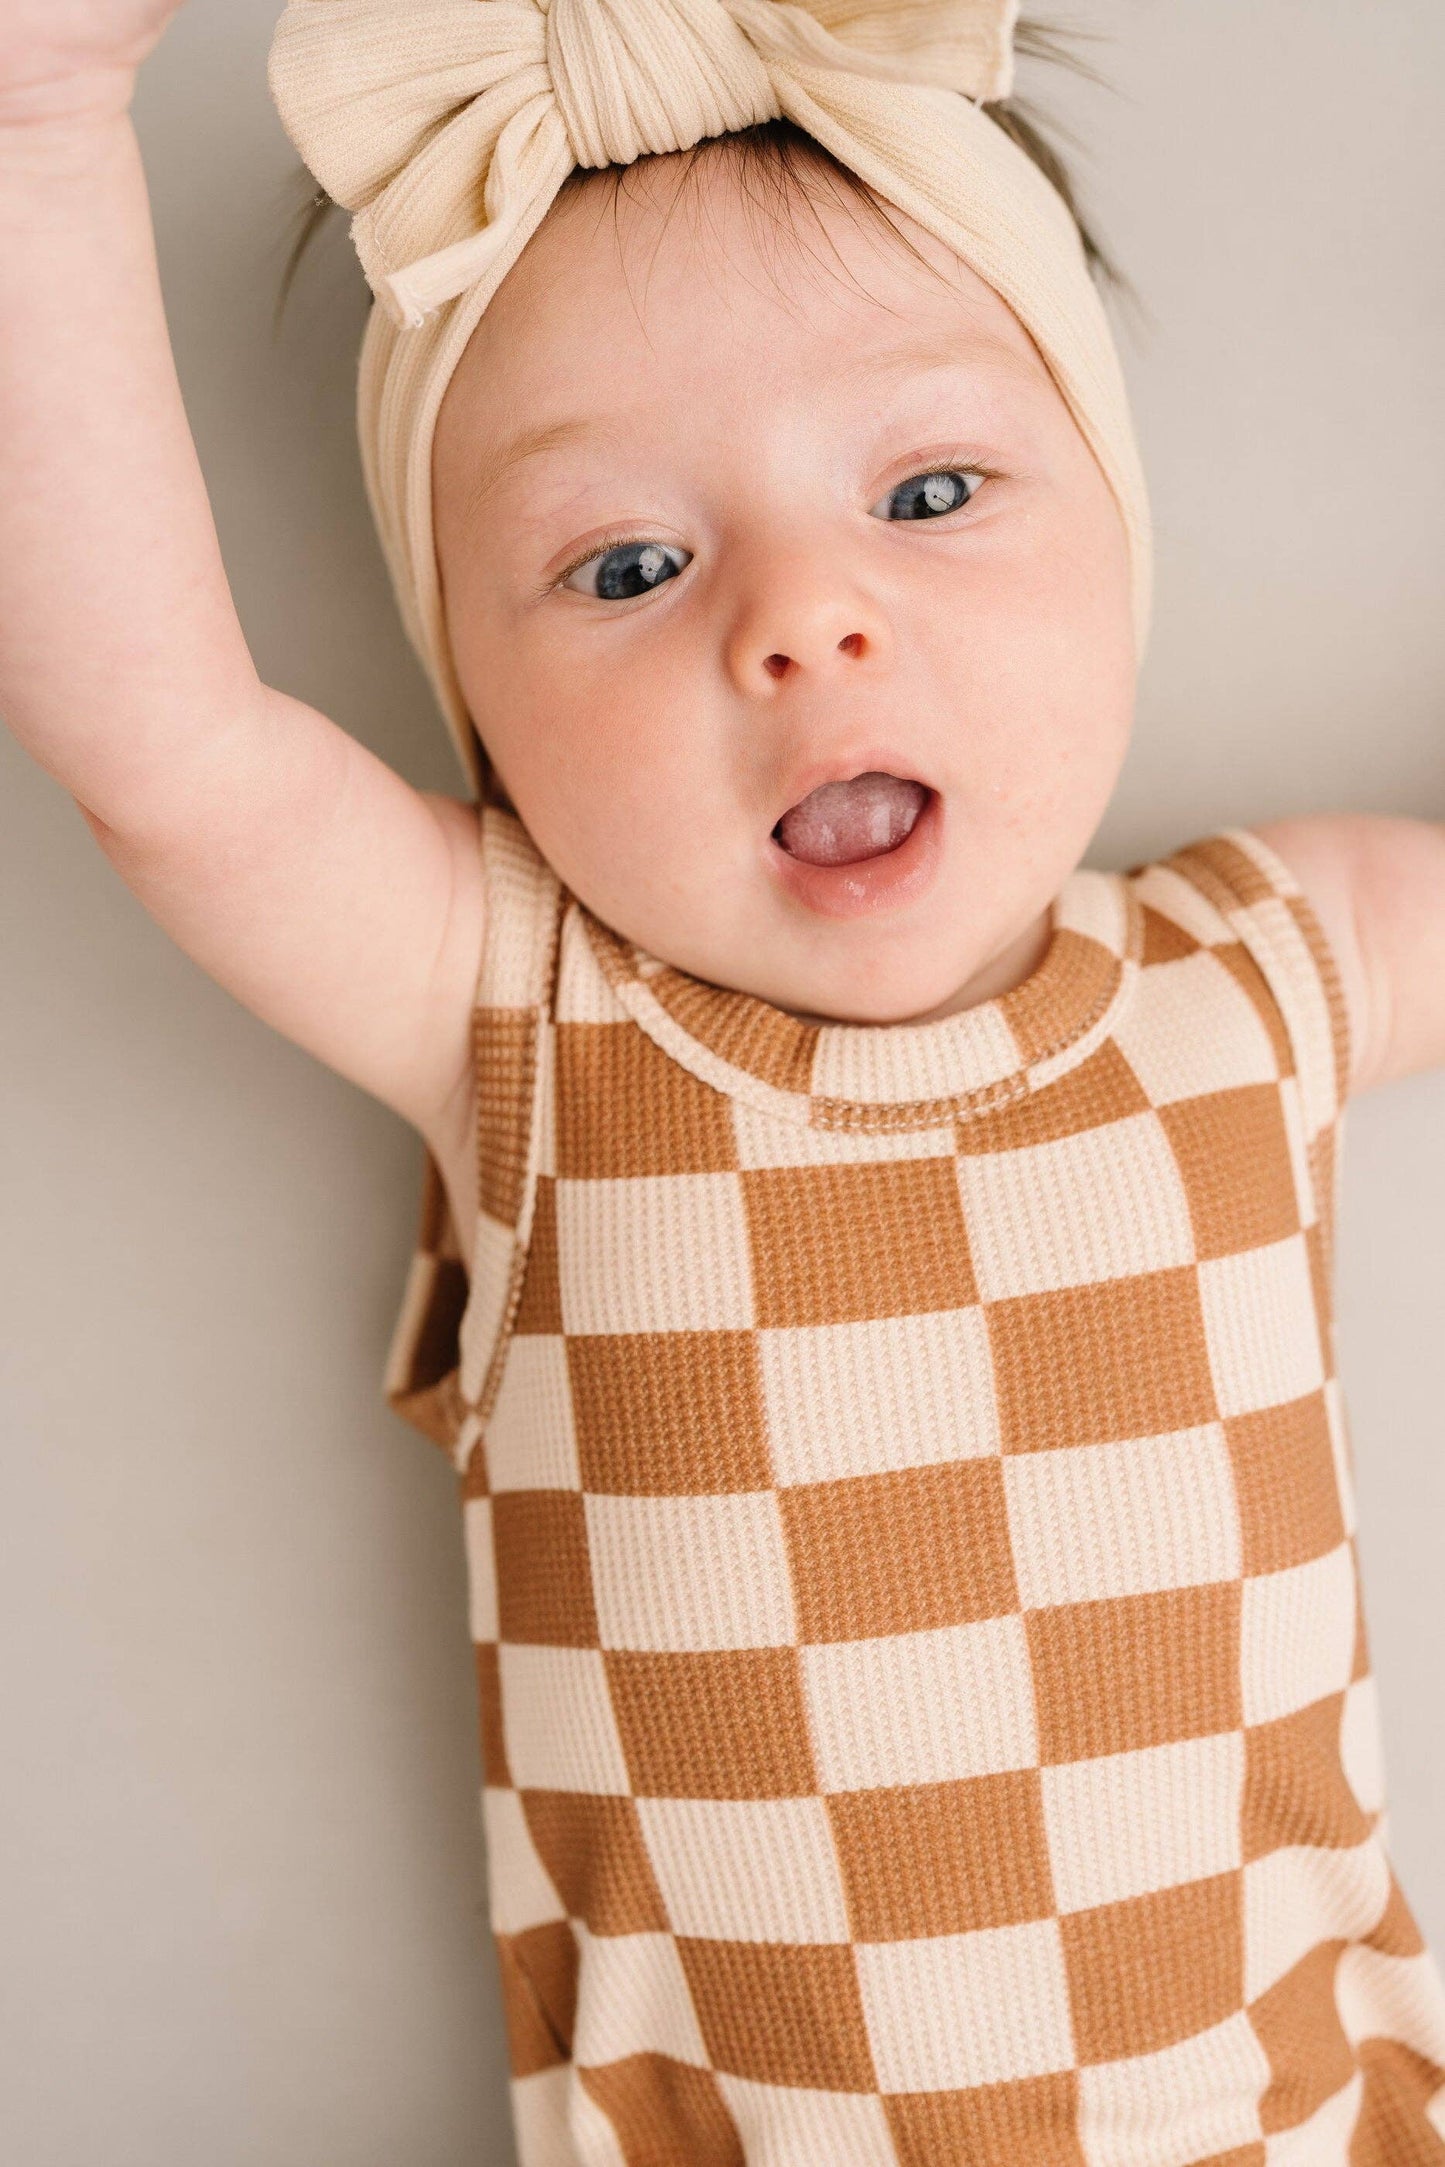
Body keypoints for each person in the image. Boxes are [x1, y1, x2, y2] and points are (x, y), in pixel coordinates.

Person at [3, 0, 1444, 2159]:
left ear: (1121, 543)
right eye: (626, 565)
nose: (802, 618)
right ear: (478, 721)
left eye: (932, 491)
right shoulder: (529, 1016)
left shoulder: (1272, 958)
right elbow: (170, 753)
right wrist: (35, 121)